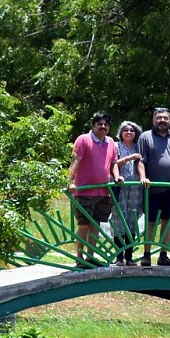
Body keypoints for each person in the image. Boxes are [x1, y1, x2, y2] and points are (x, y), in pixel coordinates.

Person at [67, 112, 123, 268]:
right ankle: (79, 258)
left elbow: (113, 164)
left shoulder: (111, 142)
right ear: (93, 126)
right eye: (100, 124)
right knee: (84, 225)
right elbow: (75, 161)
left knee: (95, 225)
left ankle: (91, 257)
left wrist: (117, 176)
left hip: (103, 192)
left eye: (106, 125)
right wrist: (70, 181)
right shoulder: (83, 139)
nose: (103, 127)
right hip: (84, 191)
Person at [137, 107, 170, 267]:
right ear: (154, 120)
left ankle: (163, 255)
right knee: (151, 222)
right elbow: (140, 160)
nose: (162, 121)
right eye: (159, 118)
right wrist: (143, 177)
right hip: (152, 188)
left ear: (169, 121)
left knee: (167, 221)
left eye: (165, 118)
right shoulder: (145, 136)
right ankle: (146, 255)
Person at [109, 120, 143, 266]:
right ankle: (119, 257)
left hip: (135, 189)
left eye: (132, 130)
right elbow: (113, 164)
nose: (129, 132)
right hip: (120, 187)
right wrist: (128, 159)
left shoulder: (139, 147)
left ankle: (129, 257)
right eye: (126, 130)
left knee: (132, 221)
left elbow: (141, 164)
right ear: (121, 133)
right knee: (119, 220)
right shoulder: (116, 146)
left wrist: (143, 178)